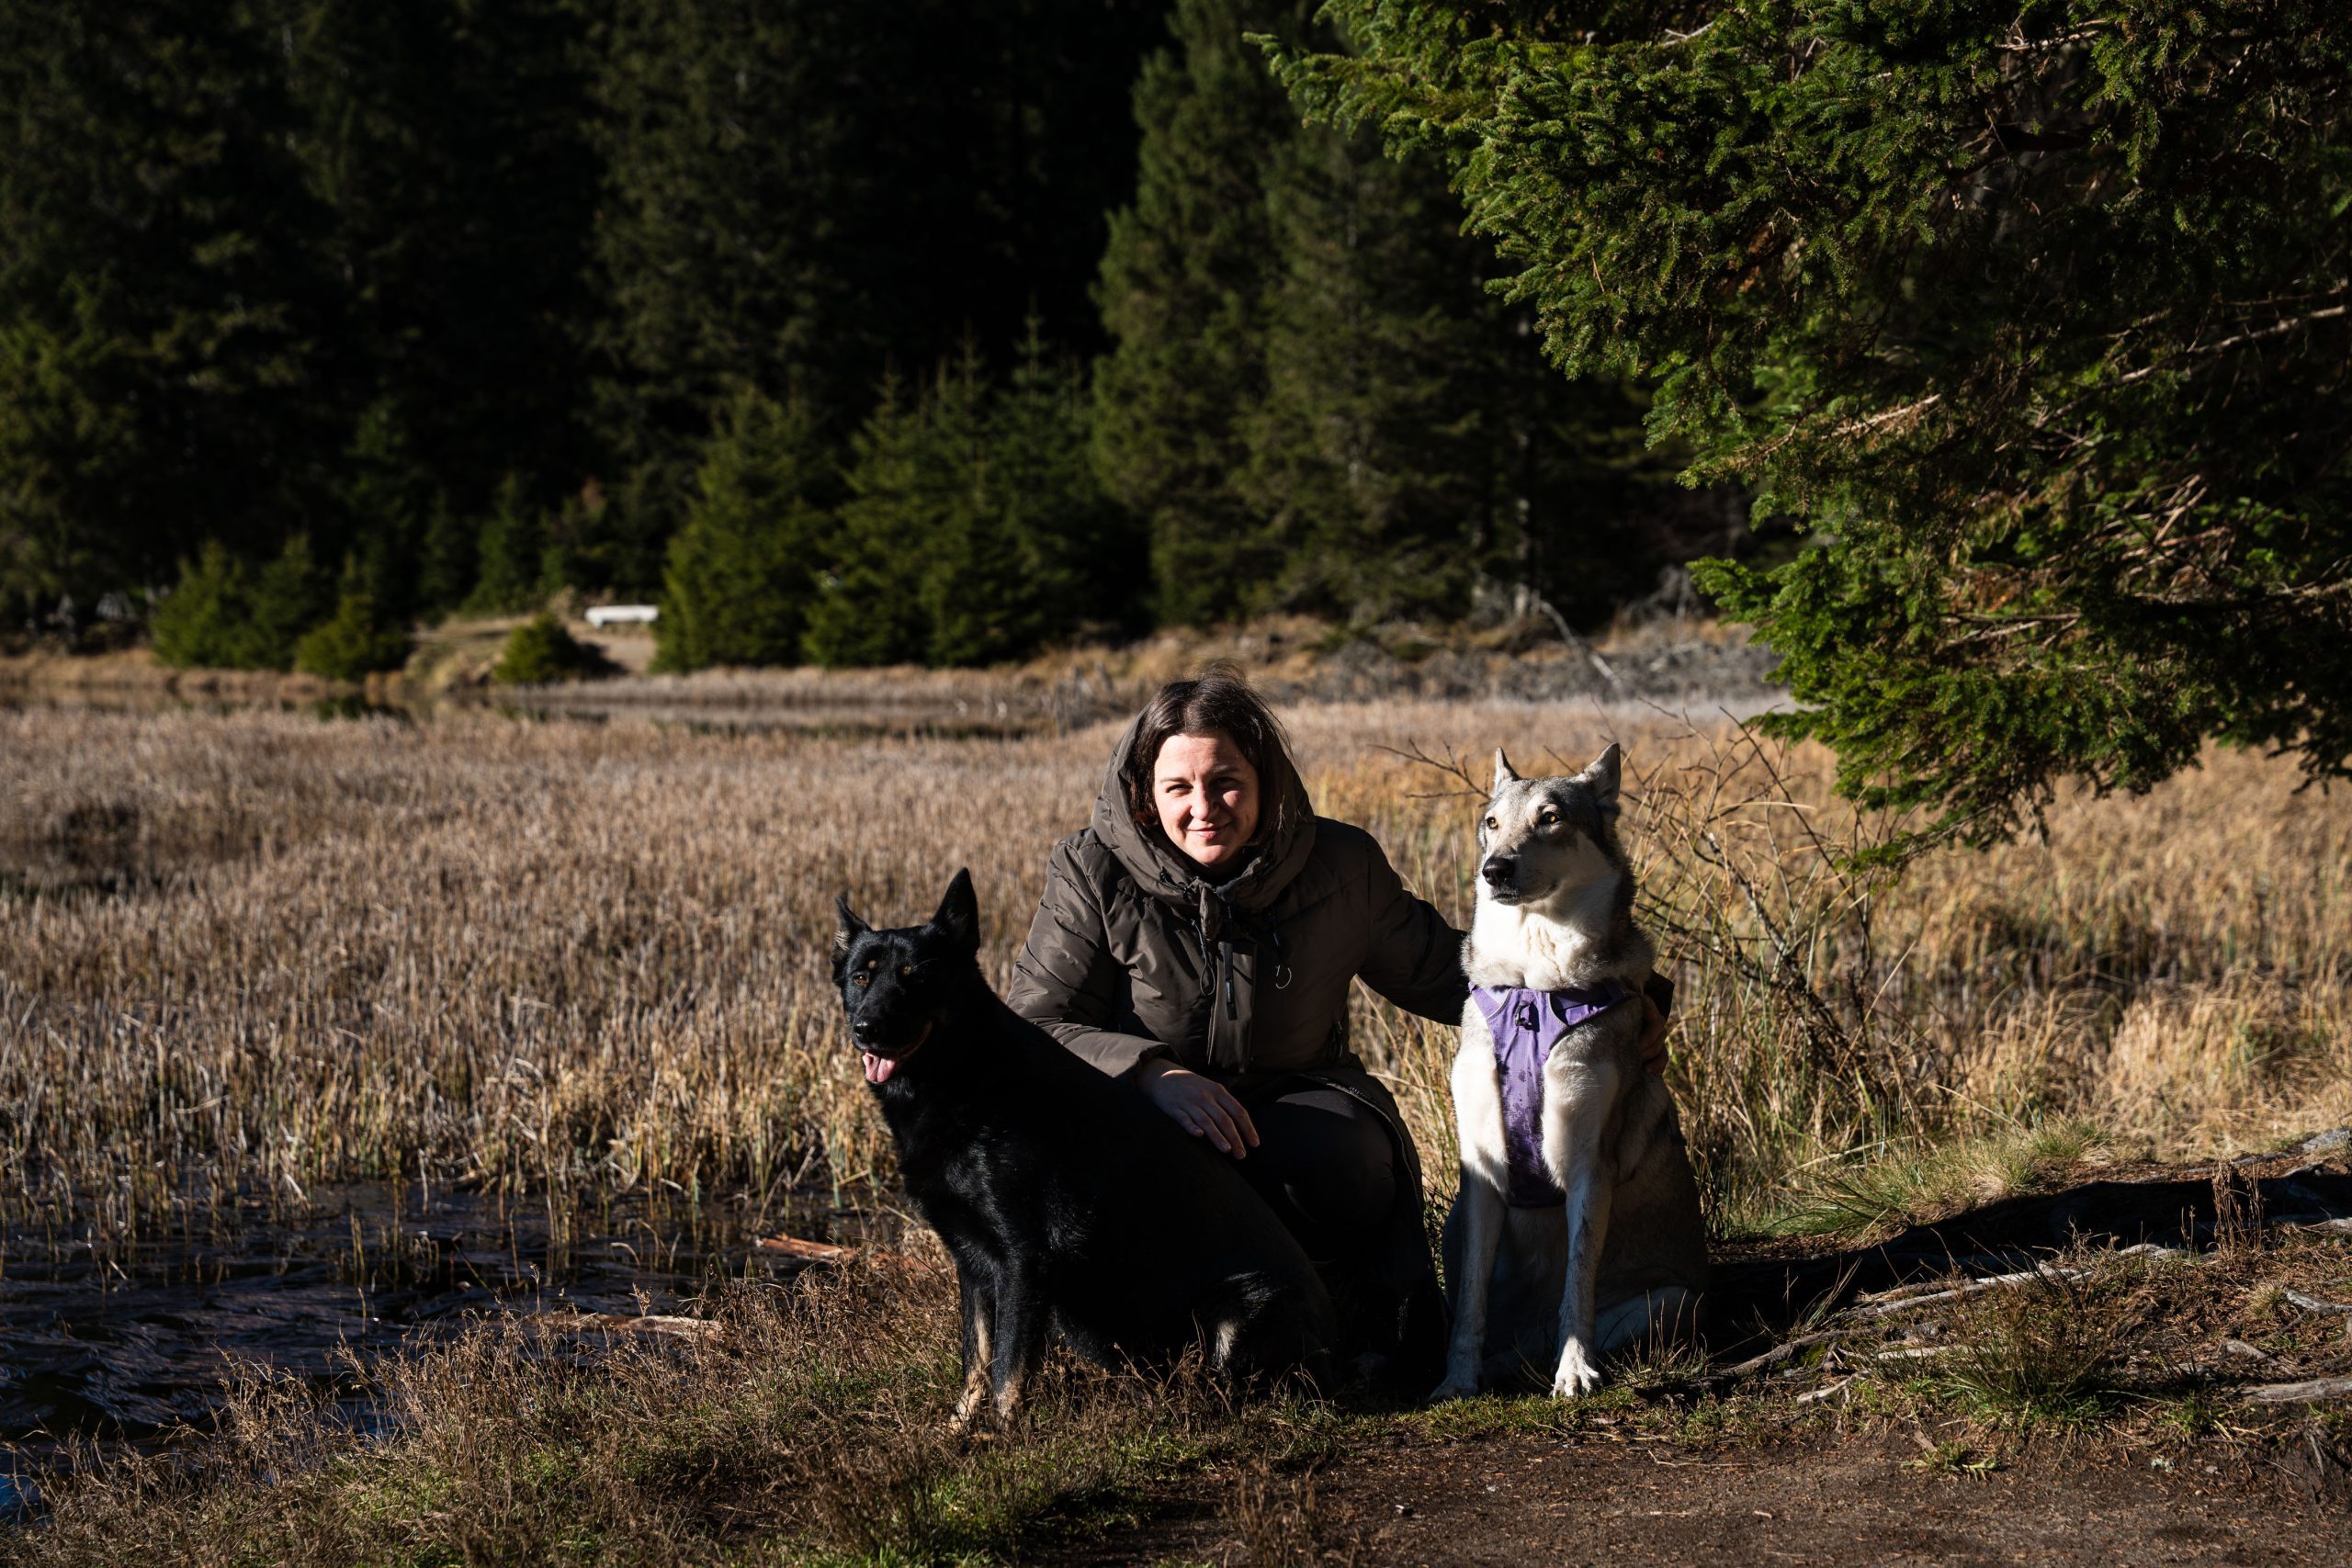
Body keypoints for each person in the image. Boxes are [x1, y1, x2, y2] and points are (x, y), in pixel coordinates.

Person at [1007, 667, 1667, 1389]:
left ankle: (1348, 1325)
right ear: (1145, 792)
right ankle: (1156, 1354)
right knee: (1150, 1188)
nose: (1205, 807)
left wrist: (1623, 1002)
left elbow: (1455, 975)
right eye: (1178, 788)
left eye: (1226, 781)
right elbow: (1037, 1022)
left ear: (1266, 777)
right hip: (1145, 1123)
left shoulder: (1339, 865)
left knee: (1349, 1154)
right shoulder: (1091, 870)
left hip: (1291, 1109)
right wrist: (1147, 1072)